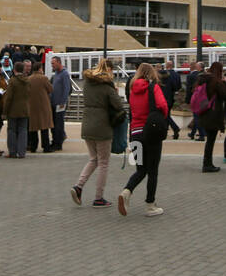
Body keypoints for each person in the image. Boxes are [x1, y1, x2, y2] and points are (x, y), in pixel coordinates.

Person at [71, 58, 124, 208]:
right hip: (102, 127)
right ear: (109, 70)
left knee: (93, 159)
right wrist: (115, 92)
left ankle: (78, 186)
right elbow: (118, 105)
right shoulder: (107, 86)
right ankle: (99, 197)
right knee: (103, 163)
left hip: (87, 124)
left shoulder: (87, 83)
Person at [117, 62, 168, 218]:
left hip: (135, 133)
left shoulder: (132, 90)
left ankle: (127, 191)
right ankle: (150, 204)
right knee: (153, 170)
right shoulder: (153, 87)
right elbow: (163, 105)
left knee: (141, 169)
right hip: (151, 133)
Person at [197, 61, 226, 173]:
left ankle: (207, 163)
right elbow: (224, 94)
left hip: (204, 112)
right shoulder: (216, 81)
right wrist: (224, 82)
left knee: (209, 140)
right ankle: (207, 164)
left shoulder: (202, 79)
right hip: (214, 114)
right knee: (211, 140)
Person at [2, 62, 31, 158]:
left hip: (13, 110)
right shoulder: (27, 80)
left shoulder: (12, 81)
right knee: (23, 130)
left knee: (12, 130)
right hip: (25, 109)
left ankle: (12, 152)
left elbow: (8, 97)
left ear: (14, 70)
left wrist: (5, 111)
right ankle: (22, 152)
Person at [26, 62, 54, 153]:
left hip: (32, 105)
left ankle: (33, 146)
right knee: (44, 126)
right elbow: (50, 89)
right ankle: (46, 147)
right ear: (39, 69)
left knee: (33, 127)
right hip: (43, 105)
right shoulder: (44, 78)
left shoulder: (28, 79)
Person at [49, 55, 70, 151]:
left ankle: (58, 143)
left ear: (58, 62)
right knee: (54, 124)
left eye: (53, 63)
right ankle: (55, 140)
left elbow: (66, 88)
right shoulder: (56, 74)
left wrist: (63, 102)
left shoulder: (64, 74)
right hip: (53, 103)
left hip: (60, 104)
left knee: (59, 124)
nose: (52, 65)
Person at [161, 59, 182, 140]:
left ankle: (174, 128)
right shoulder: (177, 75)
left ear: (167, 66)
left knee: (165, 115)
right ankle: (167, 131)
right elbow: (178, 86)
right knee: (167, 115)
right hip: (171, 97)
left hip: (164, 97)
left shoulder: (165, 75)